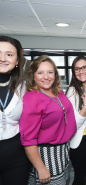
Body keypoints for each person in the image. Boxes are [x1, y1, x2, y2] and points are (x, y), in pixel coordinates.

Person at [19, 55, 77, 185]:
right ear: (33, 75)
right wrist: (40, 167)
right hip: (46, 155)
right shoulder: (32, 98)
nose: (46, 77)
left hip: (63, 152)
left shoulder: (58, 92)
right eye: (40, 73)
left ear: (55, 74)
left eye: (50, 72)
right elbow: (28, 139)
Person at [0, 36, 29, 185]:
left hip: (16, 155)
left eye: (9, 54)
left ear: (17, 60)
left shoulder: (23, 87)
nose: (3, 59)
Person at [66, 56, 86, 185]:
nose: (81, 71)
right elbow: (72, 124)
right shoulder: (72, 91)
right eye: (77, 69)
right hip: (79, 139)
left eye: (84, 67)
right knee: (80, 178)